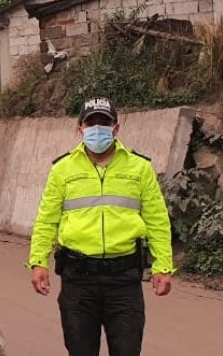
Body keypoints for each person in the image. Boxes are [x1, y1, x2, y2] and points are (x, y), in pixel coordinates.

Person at [27, 97, 175, 356]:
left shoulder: (140, 168)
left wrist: (163, 266)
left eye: (104, 123)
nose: (97, 129)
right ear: (80, 128)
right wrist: (38, 261)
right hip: (78, 282)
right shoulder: (62, 169)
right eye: (91, 123)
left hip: (124, 282)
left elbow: (157, 220)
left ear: (116, 129)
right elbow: (47, 219)